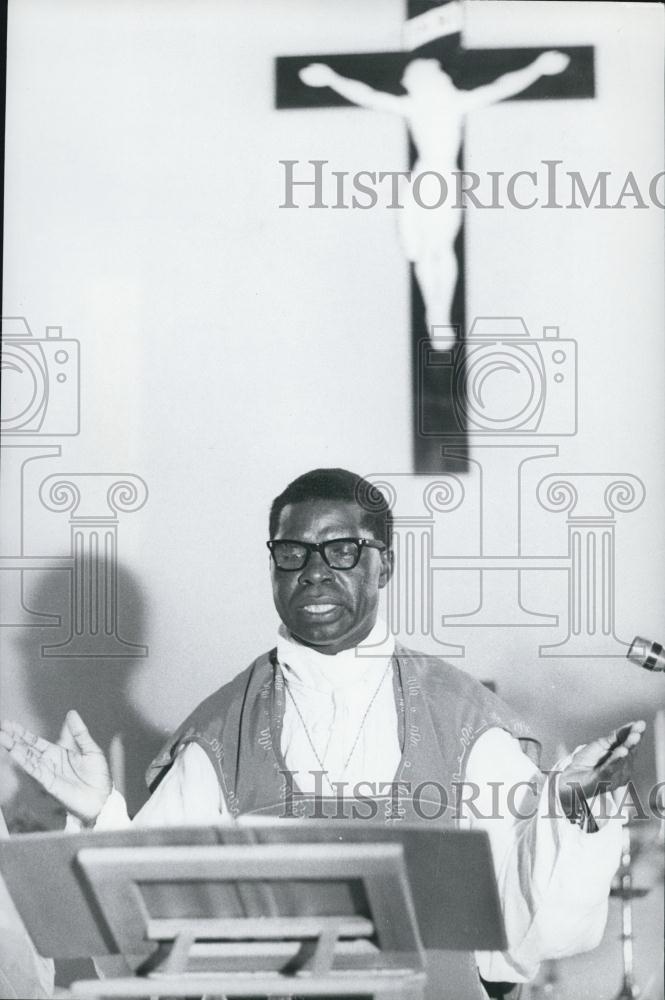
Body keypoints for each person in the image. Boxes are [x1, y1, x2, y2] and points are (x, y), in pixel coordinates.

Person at [1, 468, 645, 1000]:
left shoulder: (464, 719)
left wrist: (573, 809)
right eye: (292, 553)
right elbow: (150, 933)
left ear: (384, 566)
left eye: (341, 550)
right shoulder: (221, 731)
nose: (314, 571)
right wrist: (99, 815)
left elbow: (537, 929)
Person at [299, 53, 570, 346]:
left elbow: (503, 86)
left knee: (439, 247)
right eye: (434, 76)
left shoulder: (454, 103)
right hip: (422, 179)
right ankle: (434, 309)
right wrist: (332, 79)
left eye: (438, 74)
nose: (443, 79)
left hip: (444, 181)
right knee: (421, 249)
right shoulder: (417, 106)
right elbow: (369, 96)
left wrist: (537, 67)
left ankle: (440, 310)